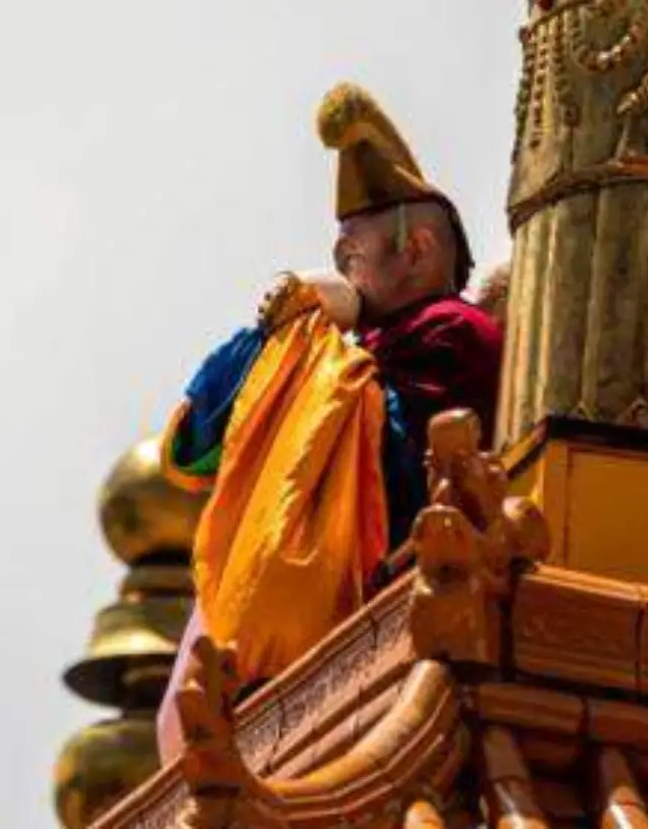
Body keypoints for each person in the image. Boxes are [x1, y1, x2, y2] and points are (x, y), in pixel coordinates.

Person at [152, 83, 502, 762]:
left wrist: (315, 341)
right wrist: (276, 330)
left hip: (381, 611)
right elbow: (200, 442)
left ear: (417, 249)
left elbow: (390, 457)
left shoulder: (453, 331)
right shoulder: (342, 342)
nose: (341, 267)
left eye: (350, 253)